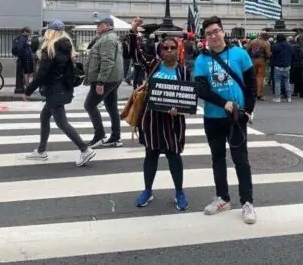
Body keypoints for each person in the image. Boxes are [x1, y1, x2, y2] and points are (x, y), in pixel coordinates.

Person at [193, 16, 257, 224]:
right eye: (208, 34)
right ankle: (222, 197)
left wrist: (249, 109)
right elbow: (201, 89)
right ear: (205, 37)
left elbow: (251, 84)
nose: (213, 36)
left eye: (215, 31)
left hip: (236, 117)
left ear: (223, 32)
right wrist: (224, 103)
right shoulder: (201, 60)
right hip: (213, 117)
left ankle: (247, 201)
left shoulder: (240, 54)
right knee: (217, 159)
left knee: (241, 160)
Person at [129, 18, 189, 211]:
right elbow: (136, 53)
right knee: (151, 154)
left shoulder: (184, 71)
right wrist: (133, 31)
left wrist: (179, 108)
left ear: (178, 50)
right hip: (152, 119)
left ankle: (179, 192)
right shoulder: (153, 65)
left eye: (173, 48)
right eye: (165, 48)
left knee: (174, 156)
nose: (169, 51)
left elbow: (188, 98)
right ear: (161, 51)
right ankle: (147, 190)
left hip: (173, 121)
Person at [23, 20, 96, 167]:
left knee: (62, 123)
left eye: (47, 30)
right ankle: (41, 150)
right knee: (45, 116)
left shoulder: (50, 48)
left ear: (52, 32)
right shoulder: (66, 47)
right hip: (62, 88)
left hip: (54, 90)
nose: (45, 33)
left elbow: (42, 73)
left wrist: (28, 90)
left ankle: (84, 149)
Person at [84, 13, 124, 148]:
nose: (97, 26)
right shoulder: (107, 37)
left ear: (107, 25)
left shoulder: (107, 39)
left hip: (106, 79)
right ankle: (115, 137)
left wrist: (100, 82)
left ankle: (99, 135)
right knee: (111, 107)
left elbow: (107, 61)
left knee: (89, 105)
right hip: (112, 78)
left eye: (99, 24)